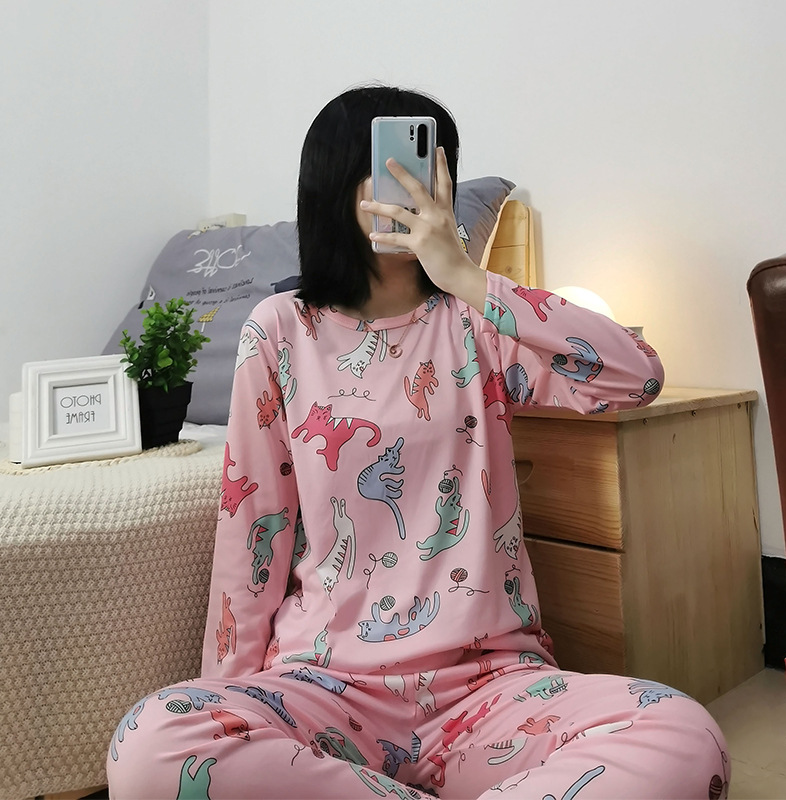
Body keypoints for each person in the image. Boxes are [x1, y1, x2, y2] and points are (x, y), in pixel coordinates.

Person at [107, 85, 729, 800]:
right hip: (324, 689)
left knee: (685, 734)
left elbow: (636, 377)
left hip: (489, 691)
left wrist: (465, 274)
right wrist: (236, 710)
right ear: (336, 182)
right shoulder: (278, 330)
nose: (415, 189)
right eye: (390, 166)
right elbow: (253, 532)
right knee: (150, 746)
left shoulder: (480, 322)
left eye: (430, 169)